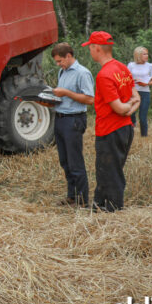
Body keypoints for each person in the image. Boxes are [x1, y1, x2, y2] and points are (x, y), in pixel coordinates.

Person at [81, 31, 140, 212]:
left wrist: (125, 109)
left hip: (109, 130)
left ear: (96, 48)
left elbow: (119, 108)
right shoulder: (122, 68)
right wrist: (129, 108)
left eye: (90, 47)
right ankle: (99, 206)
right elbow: (136, 98)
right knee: (106, 170)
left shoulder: (104, 75)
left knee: (110, 173)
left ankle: (113, 210)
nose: (90, 51)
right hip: (125, 128)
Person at [51, 43, 95, 207]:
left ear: (69, 56)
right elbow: (63, 98)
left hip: (74, 120)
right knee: (65, 160)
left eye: (60, 61)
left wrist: (65, 93)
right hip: (60, 118)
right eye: (56, 62)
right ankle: (72, 196)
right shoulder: (62, 71)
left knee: (75, 161)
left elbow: (90, 99)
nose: (58, 64)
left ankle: (83, 200)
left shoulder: (82, 73)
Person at [127, 47, 152, 137]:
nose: (147, 56)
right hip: (133, 92)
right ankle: (130, 133)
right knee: (131, 113)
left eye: (147, 54)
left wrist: (146, 84)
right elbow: (126, 78)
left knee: (142, 116)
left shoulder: (150, 66)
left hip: (145, 93)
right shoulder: (131, 65)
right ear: (138, 55)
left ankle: (144, 136)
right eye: (144, 54)